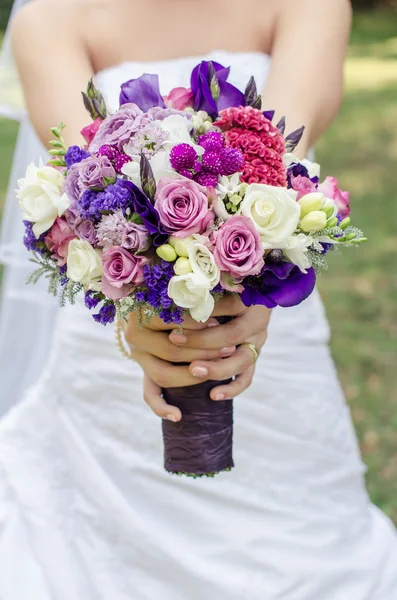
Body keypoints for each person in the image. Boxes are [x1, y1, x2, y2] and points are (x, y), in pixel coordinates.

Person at [0, 0, 396, 598]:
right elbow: (82, 190)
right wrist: (139, 320)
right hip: (109, 338)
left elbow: (277, 161)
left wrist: (250, 296)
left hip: (272, 332)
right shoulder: (49, 21)